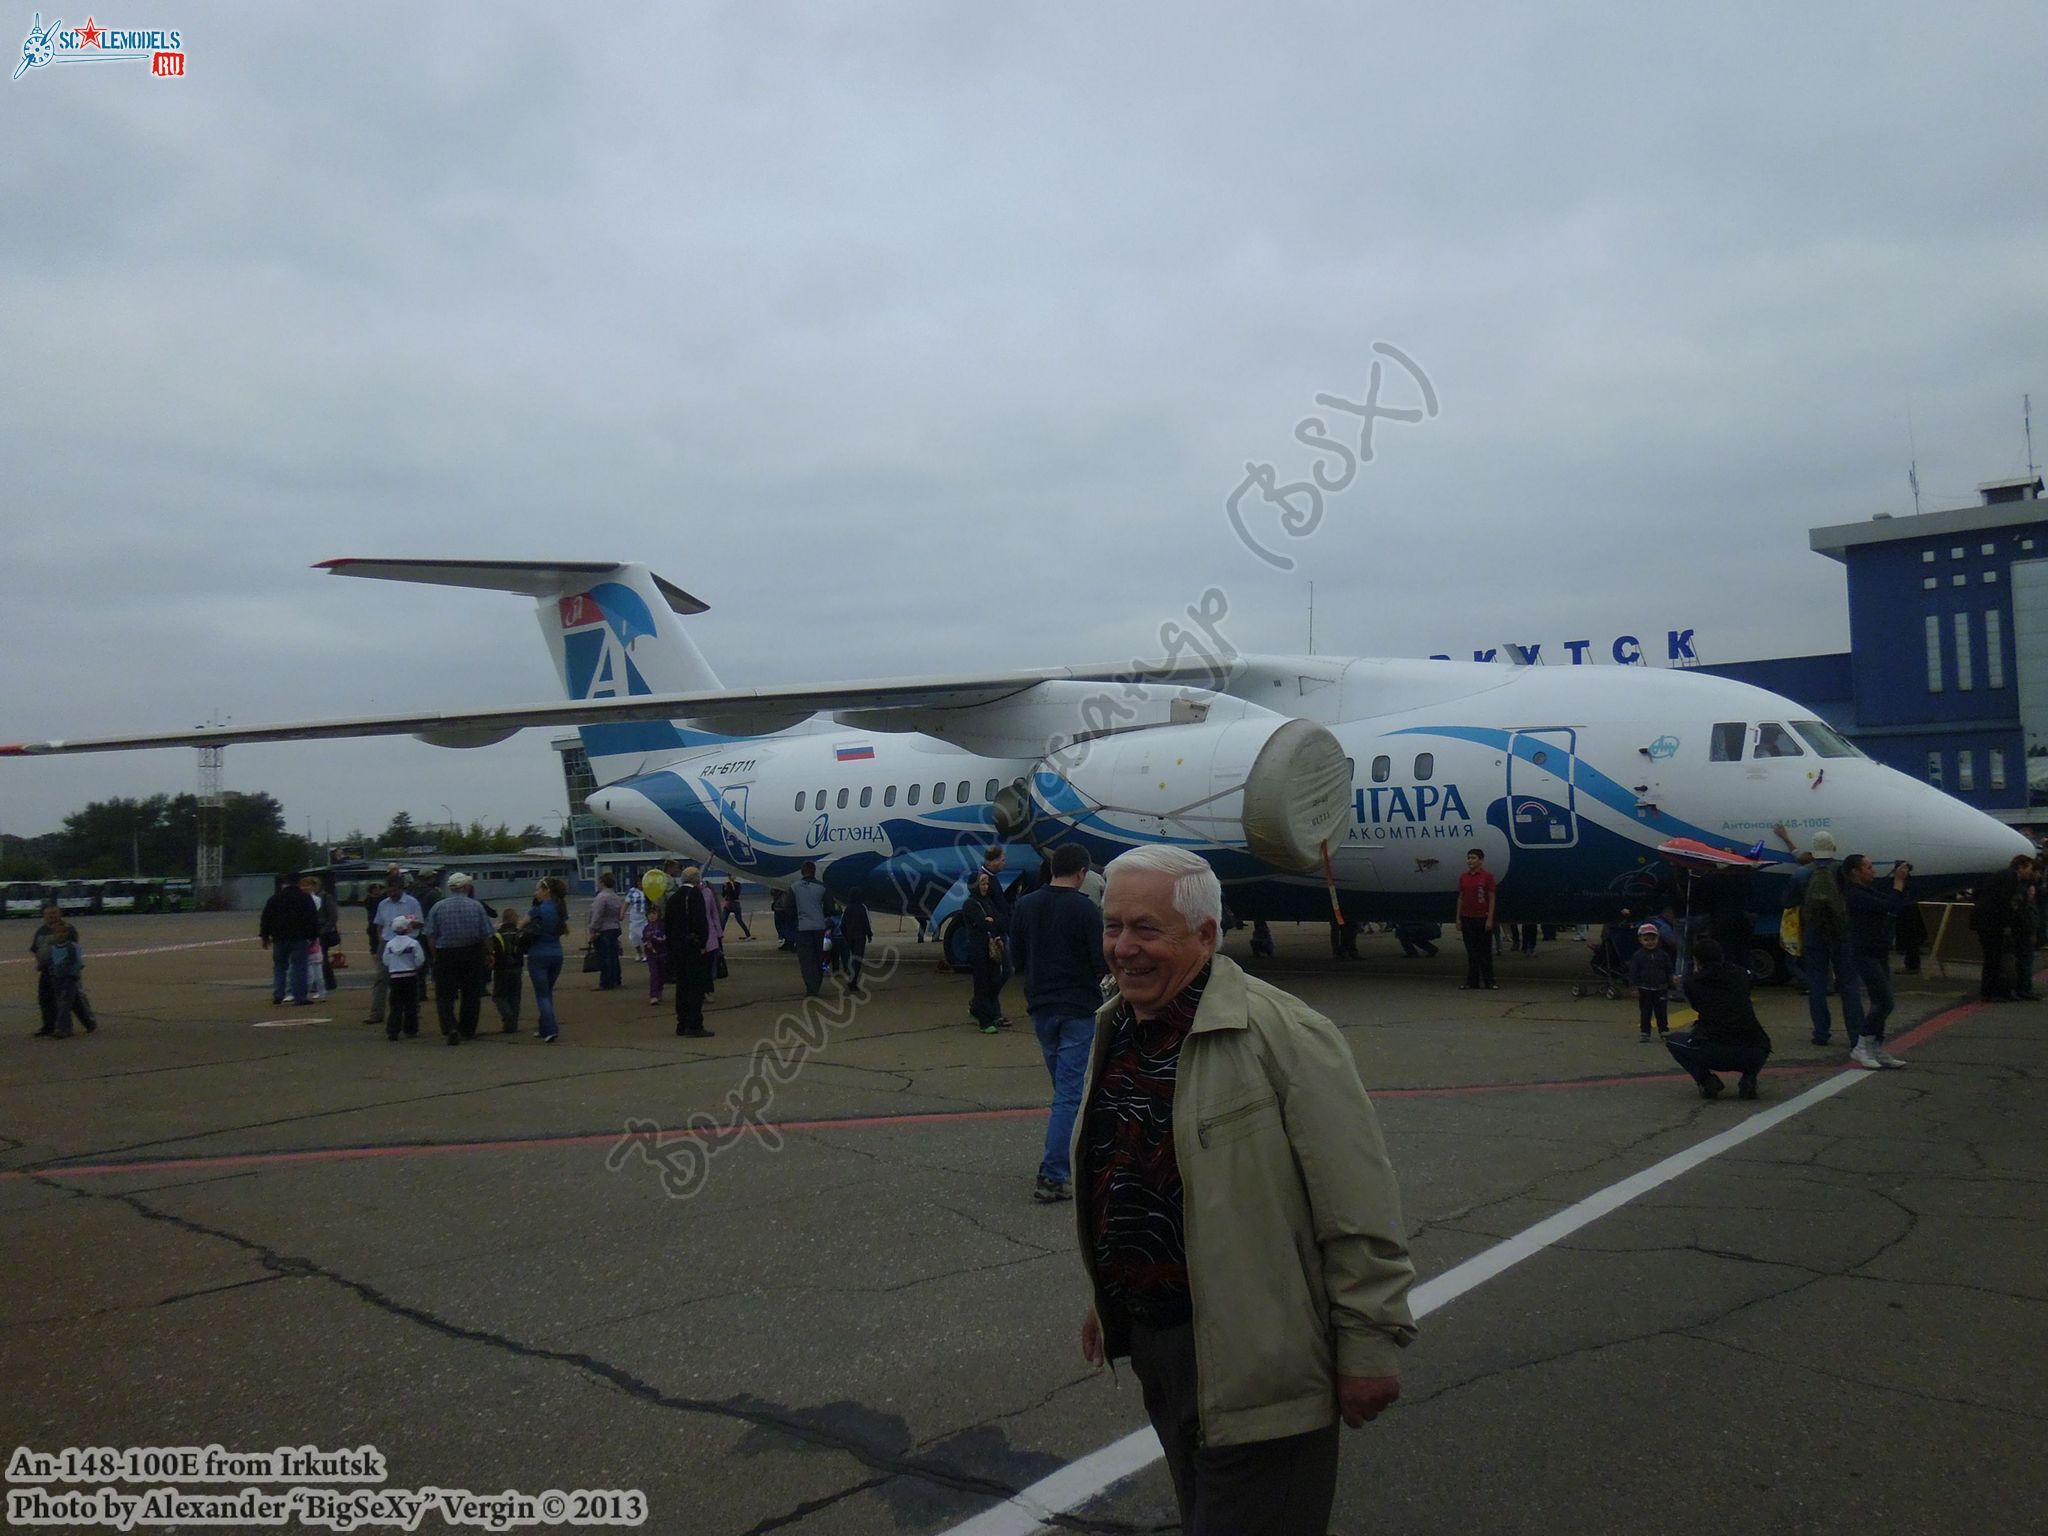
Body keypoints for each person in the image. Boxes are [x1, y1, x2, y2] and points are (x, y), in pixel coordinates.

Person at [1076, 846, 1416, 1535]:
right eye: (1112, 927)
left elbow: (1357, 1206)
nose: (1123, 948)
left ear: (1205, 935)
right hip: (1160, 1347)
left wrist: (1370, 1346)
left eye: (1146, 929)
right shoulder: (1116, 1026)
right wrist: (1108, 1289)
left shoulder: (1283, 1035)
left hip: (1262, 1358)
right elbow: (1129, 1174)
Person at [1008, 843, 1106, 1202]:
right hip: (1077, 1008)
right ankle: (1053, 1174)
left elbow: (1015, 956)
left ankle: (1072, 1154)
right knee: (1069, 1094)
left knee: (1064, 1090)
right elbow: (1100, 960)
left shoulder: (1026, 904)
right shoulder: (1085, 909)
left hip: (1041, 1008)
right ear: (1080, 873)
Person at [1668, 936, 1774, 1099]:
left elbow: (1697, 1004)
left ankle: (1706, 1080)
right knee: (1762, 1040)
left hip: (1713, 1049)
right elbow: (1748, 979)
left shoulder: (1693, 983)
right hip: (1752, 1050)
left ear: (1697, 961)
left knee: (1673, 1041)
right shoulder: (1739, 975)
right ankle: (1749, 1077)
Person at [1841, 855, 1910, 1069]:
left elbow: (1895, 904)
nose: (1873, 871)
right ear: (1855, 872)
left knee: (1881, 1001)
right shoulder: (1854, 895)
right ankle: (1862, 1045)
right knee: (1884, 1001)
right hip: (1865, 952)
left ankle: (1875, 1046)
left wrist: (1899, 884)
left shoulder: (1867, 891)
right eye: (1868, 867)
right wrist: (1898, 883)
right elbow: (1888, 906)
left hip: (1878, 950)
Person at [1800, 831, 1865, 1047]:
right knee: (1848, 983)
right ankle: (1856, 1035)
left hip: (1814, 932)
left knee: (1817, 983)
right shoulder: (1843, 871)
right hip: (1841, 931)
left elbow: (1787, 899)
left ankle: (1821, 1033)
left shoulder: (1802, 873)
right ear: (1833, 848)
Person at [426, 872, 494, 1045]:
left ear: (450, 888)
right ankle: (468, 1028)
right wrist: (489, 953)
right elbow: (486, 933)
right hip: (471, 952)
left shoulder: (438, 907)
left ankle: (450, 1027)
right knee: (471, 992)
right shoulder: (476, 906)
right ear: (466, 887)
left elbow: (431, 935)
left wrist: (435, 956)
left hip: (445, 953)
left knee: (444, 995)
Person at [30, 904, 97, 1036]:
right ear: (44, 916)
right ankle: (49, 1026)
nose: (51, 916)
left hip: (65, 973)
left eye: (54, 913)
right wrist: (39, 963)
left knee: (72, 1000)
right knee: (45, 998)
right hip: (46, 970)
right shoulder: (41, 931)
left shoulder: (67, 929)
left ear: (60, 914)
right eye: (48, 914)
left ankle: (87, 1022)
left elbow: (71, 949)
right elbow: (36, 949)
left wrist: (70, 971)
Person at [665, 864, 715, 1038]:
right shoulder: (695, 896)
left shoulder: (674, 897)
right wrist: (702, 944)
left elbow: (668, 925)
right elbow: (701, 921)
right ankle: (695, 1024)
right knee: (695, 986)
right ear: (697, 879)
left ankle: (682, 1022)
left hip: (678, 948)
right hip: (692, 948)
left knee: (682, 985)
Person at [366, 875, 422, 1027]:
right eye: (389, 890)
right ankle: (376, 1013)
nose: (391, 893)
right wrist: (381, 941)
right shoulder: (383, 904)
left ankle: (412, 1010)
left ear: (401, 888)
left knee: (409, 978)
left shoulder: (412, 902)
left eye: (394, 890)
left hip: (407, 942)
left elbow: (419, 923)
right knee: (381, 978)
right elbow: (379, 924)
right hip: (388, 942)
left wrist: (407, 925)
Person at [258, 874, 319, 1006]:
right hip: (299, 938)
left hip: (279, 938)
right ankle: (300, 996)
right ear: (298, 883)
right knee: (299, 967)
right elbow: (312, 918)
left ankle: (278, 994)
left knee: (280, 967)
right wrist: (313, 936)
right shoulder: (304, 898)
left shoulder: (275, 898)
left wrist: (265, 936)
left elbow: (266, 918)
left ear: (284, 883)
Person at [962, 869, 1009, 1033]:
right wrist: (990, 922)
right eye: (982, 883)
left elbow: (999, 921)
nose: (985, 887)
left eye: (986, 883)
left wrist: (992, 922)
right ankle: (985, 1021)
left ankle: (978, 1009)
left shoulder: (987, 902)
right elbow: (984, 924)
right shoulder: (970, 904)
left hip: (991, 947)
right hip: (978, 949)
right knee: (982, 984)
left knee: (995, 980)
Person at [524, 879, 567, 1042]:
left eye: (538, 889)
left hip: (538, 954)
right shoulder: (560, 908)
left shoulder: (537, 910)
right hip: (556, 953)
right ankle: (543, 1027)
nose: (536, 893)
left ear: (546, 891)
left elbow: (522, 924)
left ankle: (550, 1028)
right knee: (547, 991)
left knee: (542, 995)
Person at [1454, 848, 1497, 990]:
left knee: (1485, 951)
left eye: (1473, 858)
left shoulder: (1487, 877)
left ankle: (1489, 981)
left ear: (1481, 860)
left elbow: (1491, 898)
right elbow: (1460, 898)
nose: (1470, 861)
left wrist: (1490, 918)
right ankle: (1472, 982)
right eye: (1468, 858)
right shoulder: (1464, 877)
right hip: (1467, 918)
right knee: (1471, 952)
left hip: (1482, 918)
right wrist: (1458, 918)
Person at [380, 916, 426, 1041]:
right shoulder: (413, 943)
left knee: (395, 1004)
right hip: (410, 975)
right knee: (411, 1004)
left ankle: (393, 1030)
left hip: (395, 976)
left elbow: (385, 960)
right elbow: (420, 960)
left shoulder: (390, 944)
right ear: (407, 928)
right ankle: (411, 1029)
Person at [1626, 921, 1674, 1040]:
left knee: (1661, 1011)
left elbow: (1668, 970)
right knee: (1646, 1012)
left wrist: (1671, 984)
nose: (1650, 942)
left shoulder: (1663, 955)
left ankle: (1663, 1030)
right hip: (1644, 988)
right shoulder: (1638, 956)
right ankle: (1645, 1031)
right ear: (1640, 940)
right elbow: (1633, 972)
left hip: (1661, 988)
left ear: (1657, 939)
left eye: (1653, 939)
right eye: (1646, 939)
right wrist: (1633, 987)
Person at [791, 862, 832, 998]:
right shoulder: (822, 887)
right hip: (819, 926)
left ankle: (811, 987)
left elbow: (788, 909)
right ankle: (817, 984)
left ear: (802, 872)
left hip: (803, 927)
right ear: (814, 872)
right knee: (818, 957)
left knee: (806, 959)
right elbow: (830, 908)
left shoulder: (794, 887)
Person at [489, 905, 525, 1032]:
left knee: (499, 996)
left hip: (501, 969)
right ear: (515, 919)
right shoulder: (519, 934)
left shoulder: (497, 935)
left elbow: (494, 952)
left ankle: (507, 1015)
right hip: (516, 968)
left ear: (503, 920)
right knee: (515, 996)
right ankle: (513, 1024)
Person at [2010, 856, 2041, 1001]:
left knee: (2024, 960)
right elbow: (2024, 912)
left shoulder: (2024, 887)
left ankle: (2022, 988)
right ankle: (2024, 989)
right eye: (2032, 870)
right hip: (2024, 930)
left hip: (2024, 929)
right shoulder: (2023, 889)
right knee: (2025, 960)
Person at [588, 873, 625, 990]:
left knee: (605, 957)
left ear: (603, 883)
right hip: (614, 927)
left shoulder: (601, 897)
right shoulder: (616, 896)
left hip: (604, 929)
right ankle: (616, 979)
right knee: (614, 956)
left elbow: (597, 914)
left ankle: (606, 982)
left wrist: (593, 929)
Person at [839, 894, 873, 986]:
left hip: (850, 937)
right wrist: (869, 934)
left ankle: (850, 973)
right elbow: (866, 922)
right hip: (860, 937)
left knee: (852, 956)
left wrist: (845, 936)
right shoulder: (862, 908)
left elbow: (842, 925)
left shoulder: (847, 908)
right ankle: (853, 979)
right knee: (858, 958)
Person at [643, 904, 668, 1006]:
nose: (652, 916)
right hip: (651, 956)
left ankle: (659, 989)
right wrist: (647, 943)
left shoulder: (663, 926)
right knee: (654, 974)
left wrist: (654, 939)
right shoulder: (646, 928)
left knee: (662, 974)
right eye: (650, 914)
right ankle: (653, 994)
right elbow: (644, 939)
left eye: (654, 914)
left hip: (662, 954)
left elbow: (664, 938)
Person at [720, 873, 753, 939]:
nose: (731, 877)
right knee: (723, 920)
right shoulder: (726, 884)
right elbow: (723, 895)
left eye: (732, 875)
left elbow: (736, 894)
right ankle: (720, 934)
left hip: (735, 904)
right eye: (729, 876)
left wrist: (732, 886)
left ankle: (748, 934)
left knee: (739, 920)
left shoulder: (738, 884)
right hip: (728, 904)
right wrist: (724, 888)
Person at [625, 880, 648, 962]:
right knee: (633, 937)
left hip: (645, 916)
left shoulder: (648, 891)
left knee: (644, 936)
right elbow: (626, 903)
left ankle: (646, 954)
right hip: (634, 916)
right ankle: (638, 952)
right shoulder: (632, 891)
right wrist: (622, 913)